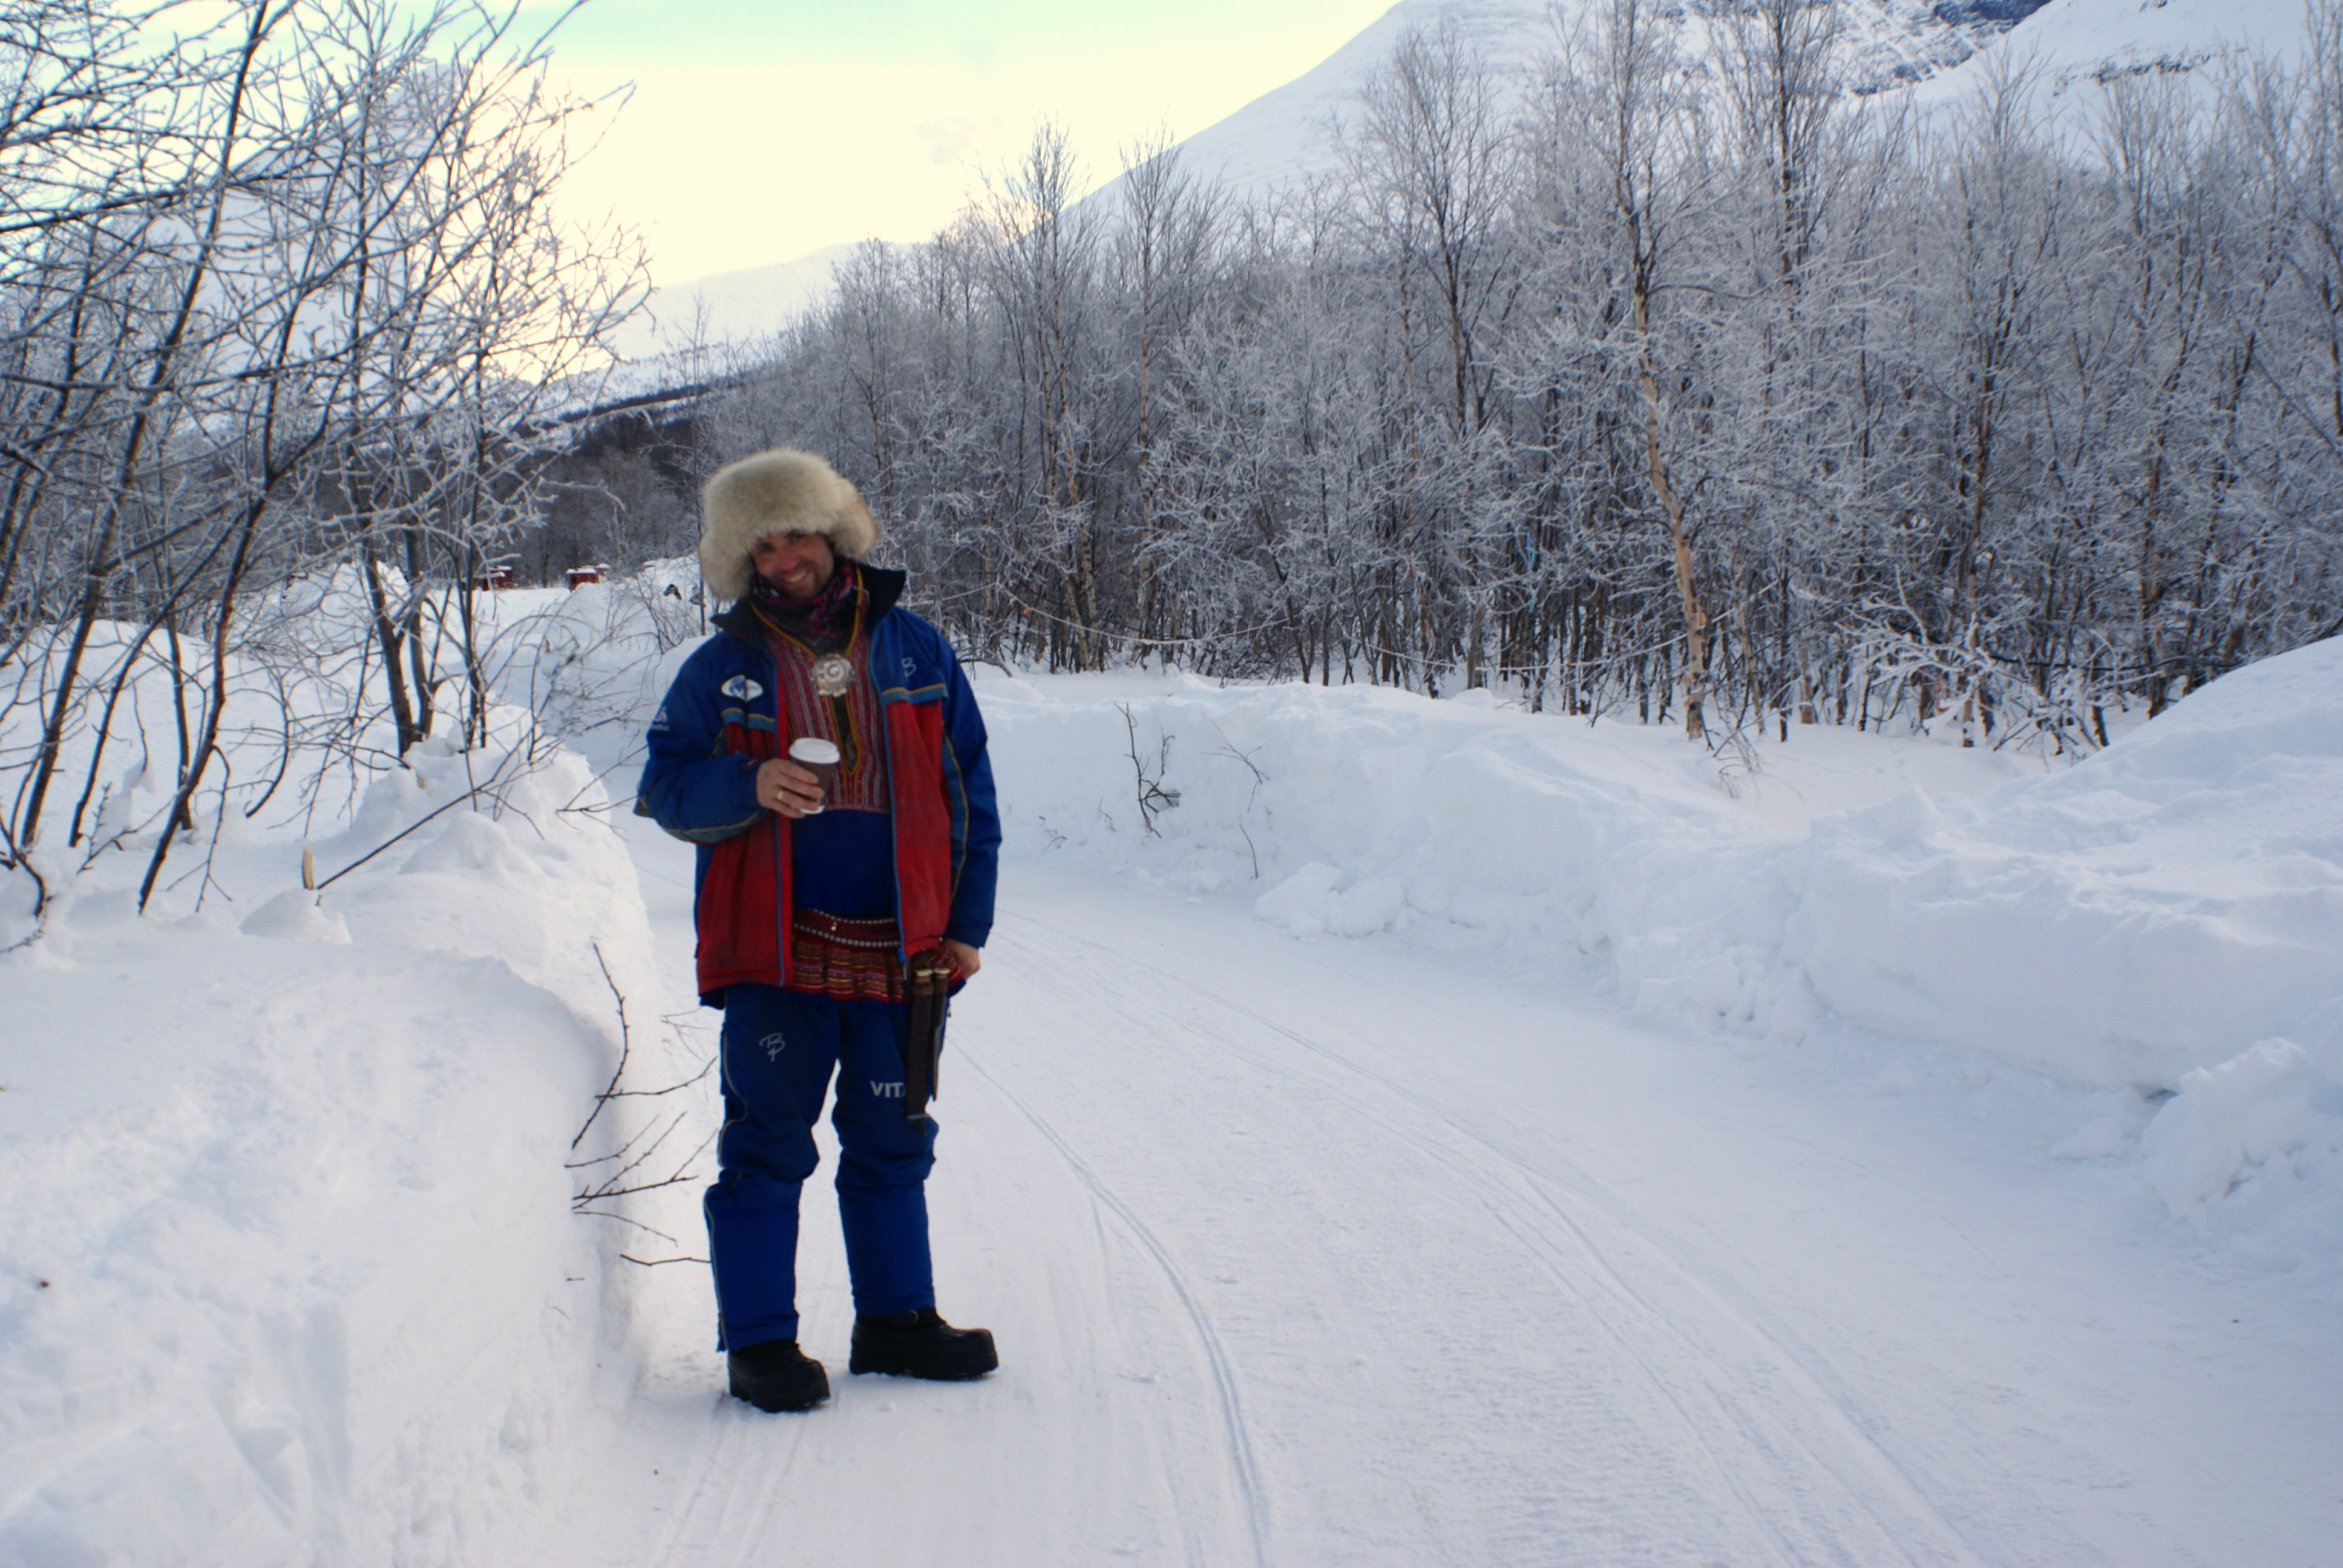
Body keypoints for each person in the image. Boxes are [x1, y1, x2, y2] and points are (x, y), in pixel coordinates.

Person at [637, 446, 1001, 1413]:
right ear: (738, 558)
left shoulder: (917, 649)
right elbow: (663, 787)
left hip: (903, 948)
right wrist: (745, 782)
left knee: (893, 1138)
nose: (783, 555)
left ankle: (895, 1321)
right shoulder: (720, 671)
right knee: (765, 1147)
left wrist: (966, 923)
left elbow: (970, 788)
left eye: (796, 530)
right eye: (760, 543)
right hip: (777, 952)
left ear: (833, 531)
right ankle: (759, 1343)